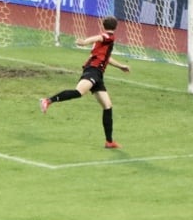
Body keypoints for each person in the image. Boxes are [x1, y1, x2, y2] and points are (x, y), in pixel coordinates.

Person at [39, 16, 130, 149]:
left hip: (98, 74)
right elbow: (99, 37)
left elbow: (106, 58)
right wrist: (85, 42)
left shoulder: (105, 43)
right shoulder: (108, 37)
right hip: (93, 70)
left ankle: (109, 142)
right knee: (79, 92)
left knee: (107, 106)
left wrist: (121, 66)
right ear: (115, 26)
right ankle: (48, 101)